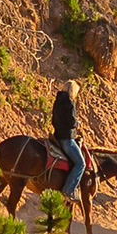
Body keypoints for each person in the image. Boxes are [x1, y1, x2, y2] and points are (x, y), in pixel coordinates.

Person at [47, 78, 85, 213]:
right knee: (81, 164)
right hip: (67, 139)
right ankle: (68, 191)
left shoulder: (58, 101)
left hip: (57, 136)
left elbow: (54, 120)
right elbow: (70, 122)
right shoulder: (69, 102)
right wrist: (77, 123)